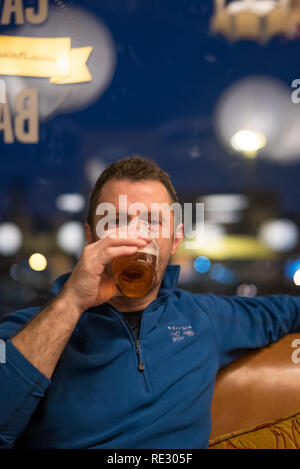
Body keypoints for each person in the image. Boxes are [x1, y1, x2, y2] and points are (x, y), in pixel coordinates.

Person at [0, 154, 300, 450]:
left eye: (152, 222)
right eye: (117, 221)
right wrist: (72, 303)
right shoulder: (24, 330)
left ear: (175, 240)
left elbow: (289, 312)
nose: (135, 236)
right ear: (91, 237)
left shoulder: (202, 317)